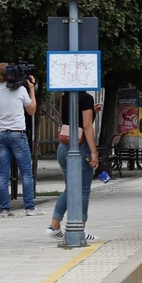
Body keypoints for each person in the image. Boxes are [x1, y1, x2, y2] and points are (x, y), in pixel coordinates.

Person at [49, 89, 99, 242]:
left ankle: (54, 226)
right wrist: (94, 152)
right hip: (80, 147)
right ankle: (81, 228)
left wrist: (93, 112)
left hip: (63, 147)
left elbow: (73, 120)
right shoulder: (86, 98)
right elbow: (87, 126)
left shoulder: (64, 97)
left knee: (70, 188)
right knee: (82, 189)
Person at [0, 62, 38, 217]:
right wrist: (31, 89)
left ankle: (4, 209)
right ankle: (29, 208)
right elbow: (31, 110)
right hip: (17, 134)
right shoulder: (21, 90)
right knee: (25, 172)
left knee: (3, 173)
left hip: (1, 135)